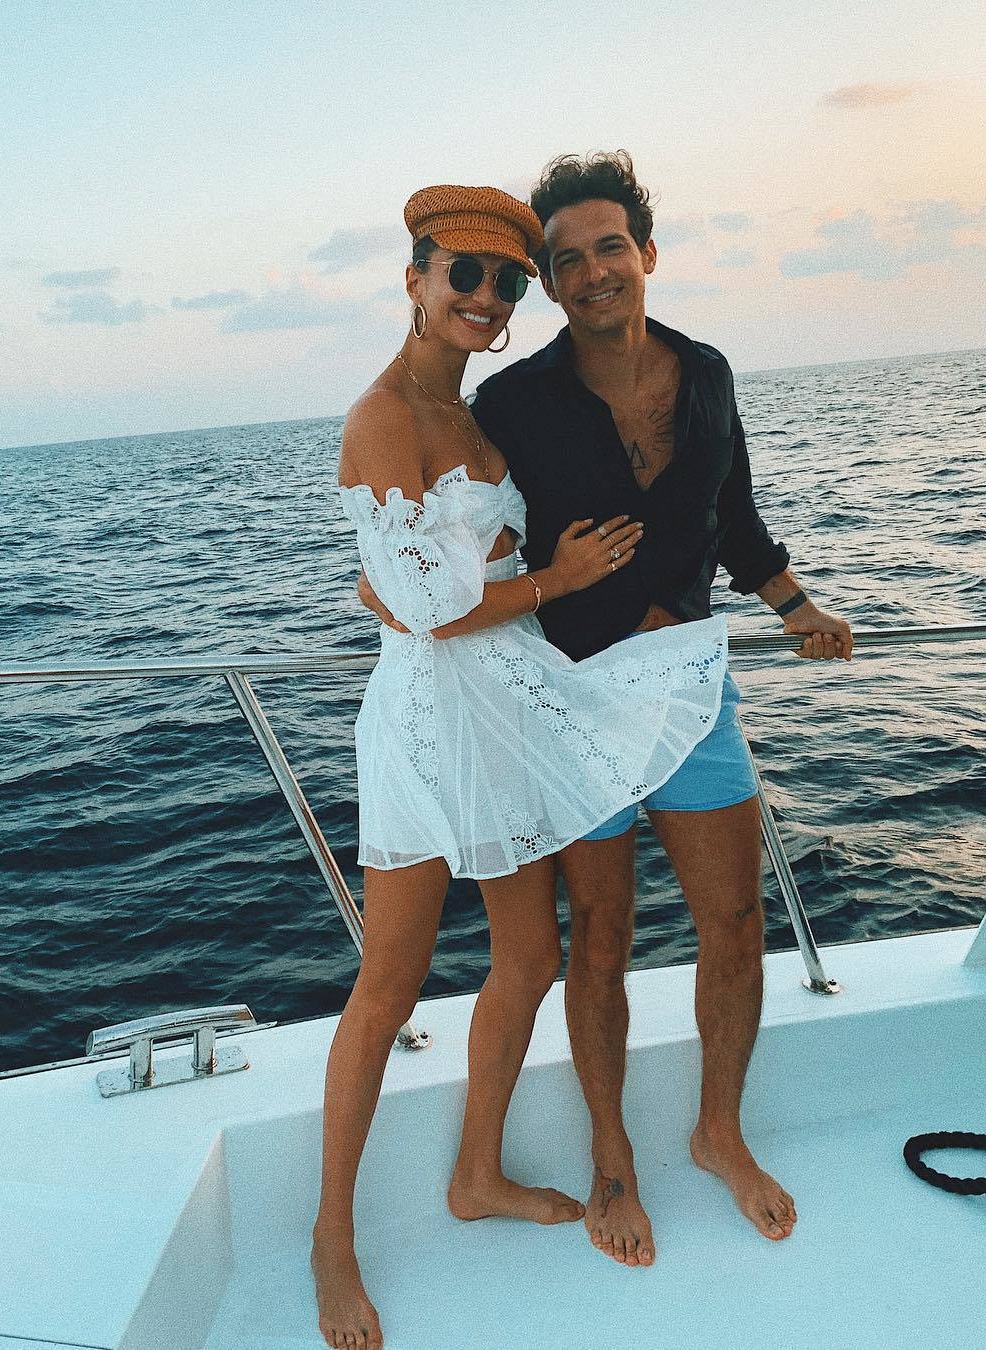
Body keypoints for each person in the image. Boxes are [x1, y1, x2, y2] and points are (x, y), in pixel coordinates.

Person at [363, 152, 855, 1269]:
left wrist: (796, 605)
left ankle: (719, 1132)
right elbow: (443, 532)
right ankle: (613, 1158)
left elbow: (735, 519)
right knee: (601, 938)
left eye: (610, 247)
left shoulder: (708, 373)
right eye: (567, 259)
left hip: (689, 689)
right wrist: (382, 590)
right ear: (546, 281)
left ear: (647, 255)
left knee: (736, 921)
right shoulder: (510, 402)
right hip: (573, 700)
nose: (593, 272)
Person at [314, 183, 730, 1350]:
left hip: (512, 703)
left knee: (534, 956)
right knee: (389, 982)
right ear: (414, 279)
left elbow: (410, 577)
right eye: (464, 273)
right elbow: (429, 607)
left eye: (506, 280)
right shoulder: (382, 415)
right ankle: (332, 1239)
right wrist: (558, 579)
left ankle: (476, 1174)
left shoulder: (473, 414)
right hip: (430, 723)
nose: (487, 296)